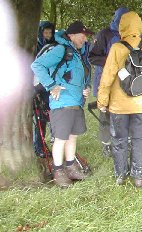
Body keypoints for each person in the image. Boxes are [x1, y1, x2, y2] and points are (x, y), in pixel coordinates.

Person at [97, 11, 142, 188]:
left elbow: (107, 76)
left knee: (119, 140)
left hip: (120, 105)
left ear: (121, 26)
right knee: (141, 140)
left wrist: (102, 101)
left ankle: (121, 175)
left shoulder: (117, 47)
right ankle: (139, 177)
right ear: (139, 26)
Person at [31, 21, 93, 188]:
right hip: (62, 103)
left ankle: (71, 167)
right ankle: (58, 172)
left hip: (76, 102)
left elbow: (78, 77)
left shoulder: (77, 53)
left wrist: (86, 88)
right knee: (60, 139)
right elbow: (37, 65)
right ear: (72, 35)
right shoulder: (61, 49)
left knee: (73, 136)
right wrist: (51, 86)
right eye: (83, 36)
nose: (85, 40)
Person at [89, 7, 129, 157]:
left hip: (125, 82)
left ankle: (124, 142)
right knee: (105, 114)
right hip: (105, 80)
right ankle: (106, 144)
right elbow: (92, 57)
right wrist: (112, 61)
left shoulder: (130, 35)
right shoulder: (105, 34)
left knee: (124, 113)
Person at [33, 21, 56, 158]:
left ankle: (53, 142)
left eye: (50, 32)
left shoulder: (54, 47)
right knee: (40, 117)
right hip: (38, 87)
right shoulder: (35, 47)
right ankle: (39, 146)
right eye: (45, 32)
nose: (47, 35)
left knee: (51, 115)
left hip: (51, 87)